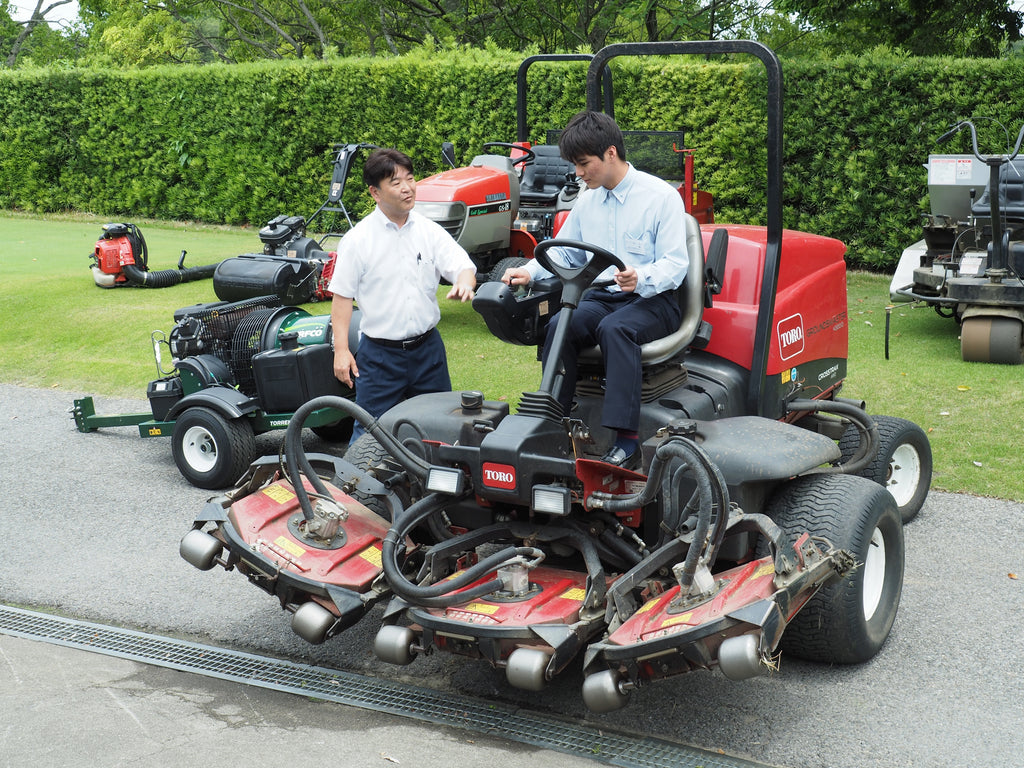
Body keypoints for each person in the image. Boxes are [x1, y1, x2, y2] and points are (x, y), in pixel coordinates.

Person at [502, 111, 690, 467]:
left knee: (615, 329)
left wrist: (641, 277)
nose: (578, 172)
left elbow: (676, 265)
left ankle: (627, 440)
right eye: (575, 164)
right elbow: (564, 250)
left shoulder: (660, 197)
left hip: (654, 299)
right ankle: (555, 418)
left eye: (583, 163)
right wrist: (527, 271)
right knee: (559, 324)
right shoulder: (588, 200)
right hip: (604, 296)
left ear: (610, 154)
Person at [328, 147, 477, 442]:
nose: (408, 188)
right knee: (370, 432)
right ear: (375, 192)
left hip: (428, 351)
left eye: (410, 178)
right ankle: (360, 488)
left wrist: (465, 282)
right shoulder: (358, 240)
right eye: (396, 182)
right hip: (380, 356)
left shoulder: (429, 231)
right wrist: (341, 351)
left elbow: (462, 265)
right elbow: (342, 297)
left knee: (439, 428)